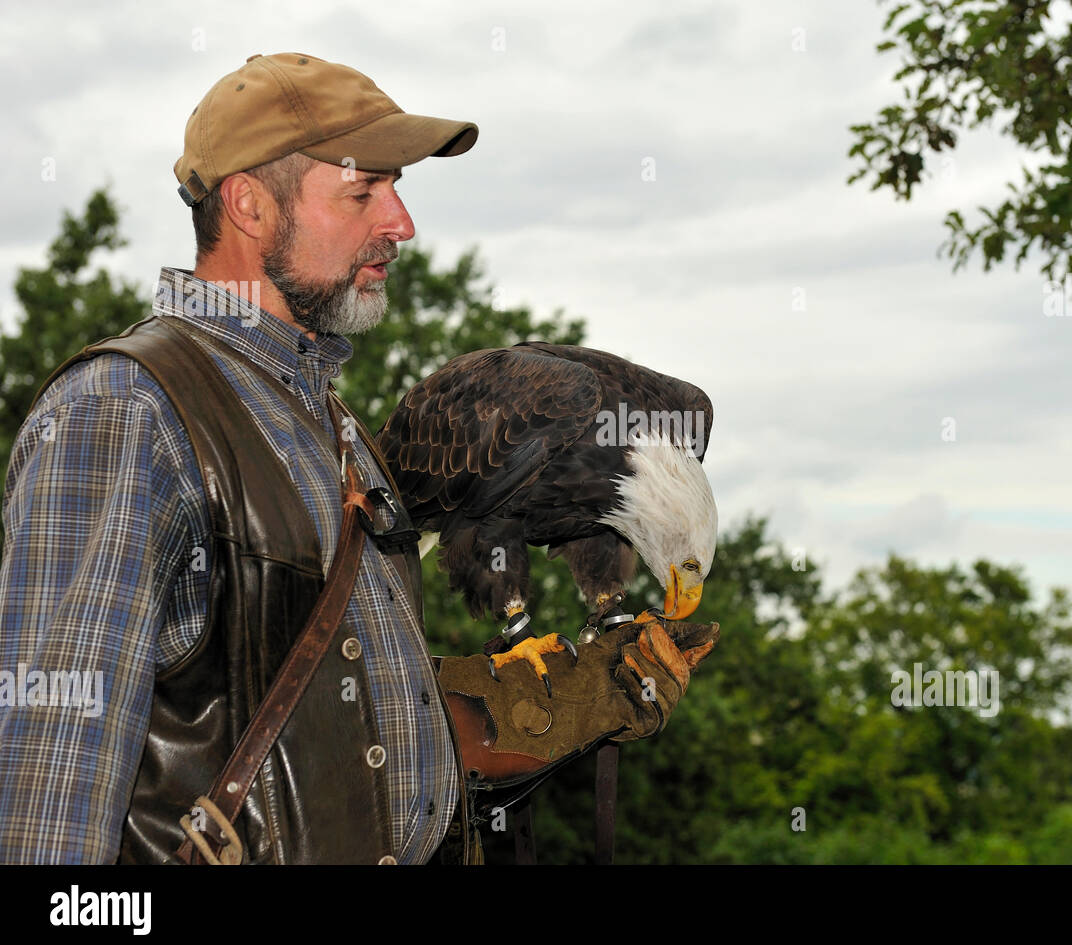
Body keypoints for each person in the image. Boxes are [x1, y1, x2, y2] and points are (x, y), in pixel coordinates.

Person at [0, 52, 712, 864]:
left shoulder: (327, 425)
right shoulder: (127, 411)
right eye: (364, 191)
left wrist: (505, 719)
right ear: (250, 206)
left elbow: (310, 733)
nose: (402, 223)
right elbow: (51, 794)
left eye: (397, 188)